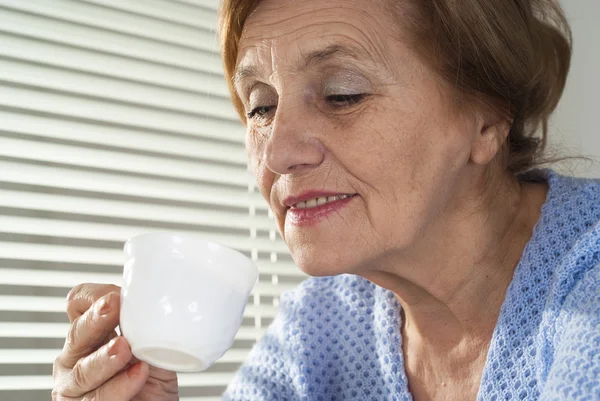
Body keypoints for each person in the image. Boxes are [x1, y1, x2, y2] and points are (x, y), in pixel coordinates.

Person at [52, 0, 600, 400]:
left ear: (487, 120)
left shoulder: (588, 275)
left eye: (342, 94)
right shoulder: (321, 325)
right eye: (261, 108)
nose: (277, 153)